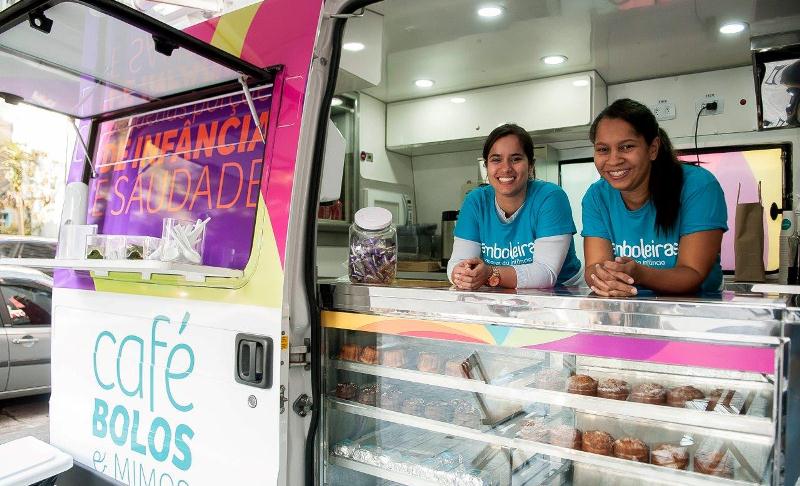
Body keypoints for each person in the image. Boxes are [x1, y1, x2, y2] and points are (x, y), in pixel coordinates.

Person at [582, 98, 727, 296]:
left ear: (653, 148)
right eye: (603, 149)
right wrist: (605, 279)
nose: (613, 160)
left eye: (627, 147)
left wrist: (639, 274)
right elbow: (593, 268)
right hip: (625, 312)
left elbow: (692, 273)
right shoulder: (596, 196)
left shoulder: (698, 186)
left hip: (693, 312)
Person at [448, 123, 582, 290]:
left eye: (516, 159)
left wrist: (490, 273)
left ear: (531, 165)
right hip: (504, 296)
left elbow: (546, 273)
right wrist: (461, 274)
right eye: (496, 159)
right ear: (486, 166)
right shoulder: (475, 201)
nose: (506, 168)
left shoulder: (550, 197)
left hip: (563, 294)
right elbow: (458, 262)